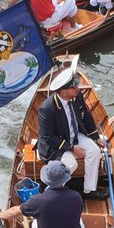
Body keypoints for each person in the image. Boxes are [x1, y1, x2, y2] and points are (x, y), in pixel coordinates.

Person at [0, 159, 86, 228]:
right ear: (65, 180)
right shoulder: (76, 197)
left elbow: (14, 212)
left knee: (34, 223)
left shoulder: (37, 200)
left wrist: (0, 215)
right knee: (80, 220)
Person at [37, 67, 105, 198]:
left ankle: (89, 190)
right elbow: (47, 137)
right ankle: (49, 192)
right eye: (74, 87)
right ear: (63, 92)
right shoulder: (47, 109)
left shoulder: (76, 96)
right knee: (71, 164)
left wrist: (95, 137)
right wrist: (71, 148)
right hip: (56, 145)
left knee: (95, 151)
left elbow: (86, 116)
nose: (77, 89)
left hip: (74, 135)